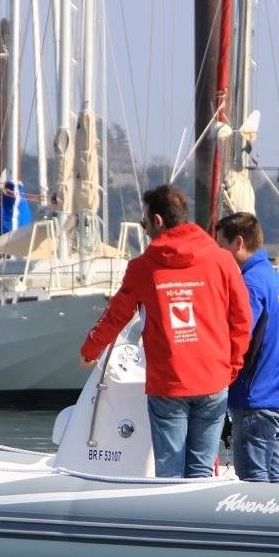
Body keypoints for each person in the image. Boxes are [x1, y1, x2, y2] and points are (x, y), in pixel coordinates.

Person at [80, 184, 251, 478]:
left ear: (158, 221)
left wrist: (89, 351)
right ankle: (196, 522)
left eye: (144, 222)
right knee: (200, 470)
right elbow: (242, 320)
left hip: (169, 384)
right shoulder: (222, 261)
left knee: (169, 471)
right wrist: (231, 367)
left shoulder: (143, 268)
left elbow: (115, 316)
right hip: (213, 379)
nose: (145, 229)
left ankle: (170, 518)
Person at [215, 212, 279, 483]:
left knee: (253, 480)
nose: (218, 255)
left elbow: (239, 334)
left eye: (221, 246)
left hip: (257, 398)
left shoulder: (249, 283)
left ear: (238, 243)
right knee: (274, 471)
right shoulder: (276, 281)